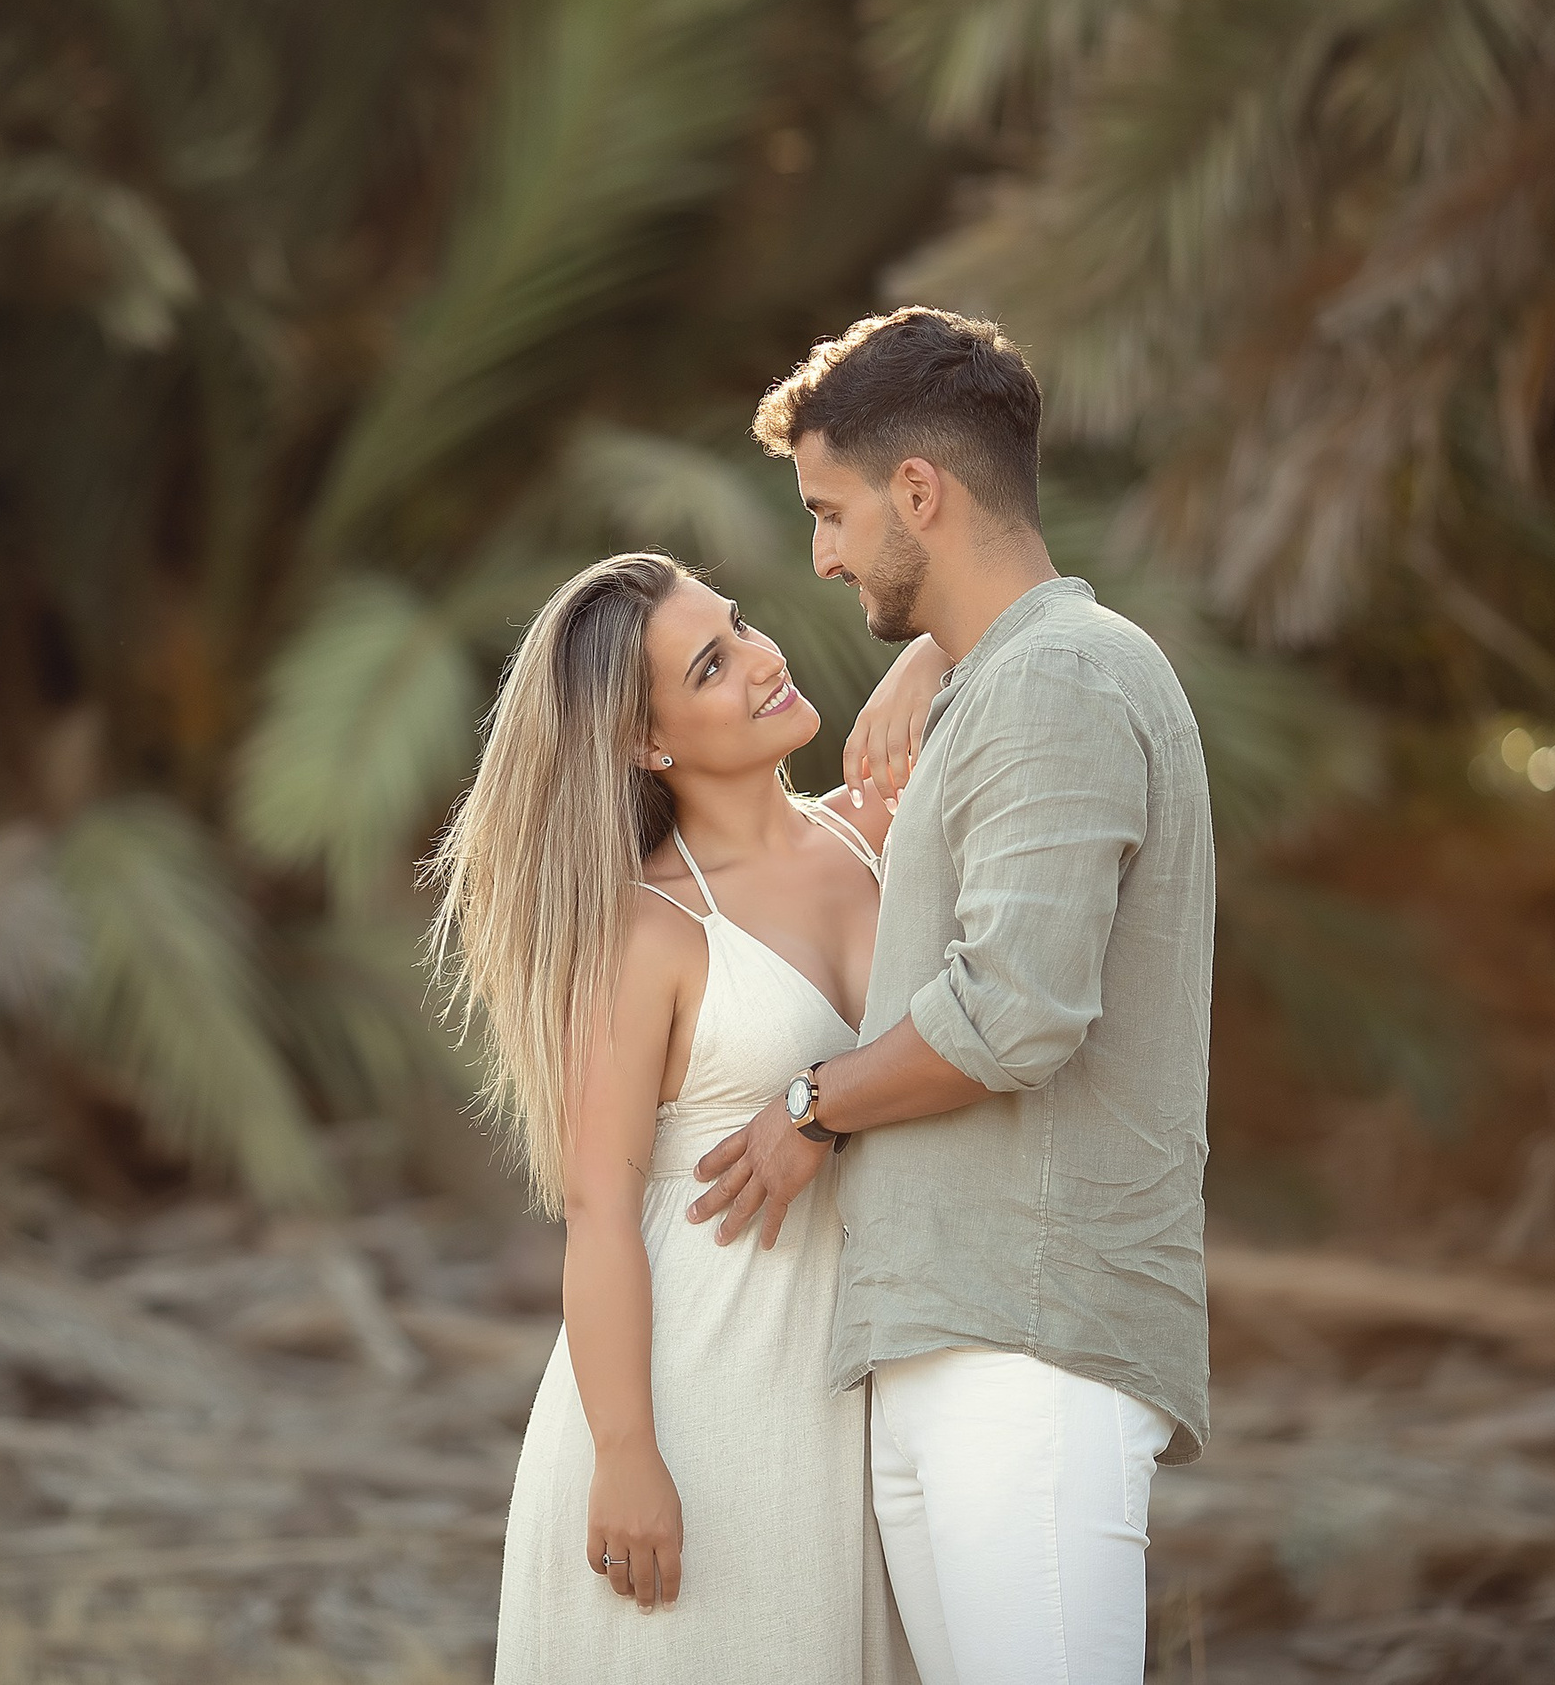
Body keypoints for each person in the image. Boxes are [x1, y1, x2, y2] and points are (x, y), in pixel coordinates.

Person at [690, 305, 1218, 1685]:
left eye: (832, 511)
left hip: (1030, 1348)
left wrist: (809, 1107)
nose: (822, 554)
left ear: (919, 488)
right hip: (955, 1335)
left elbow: (1018, 1011)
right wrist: (940, 651)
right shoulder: (1016, 675)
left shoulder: (1060, 679)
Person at [430, 550, 930, 1683]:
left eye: (741, 625)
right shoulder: (643, 929)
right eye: (712, 665)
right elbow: (598, 1210)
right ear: (646, 740)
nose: (761, 659)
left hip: (864, 1386)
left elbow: (1013, 622)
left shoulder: (885, 828)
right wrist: (626, 1456)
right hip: (699, 1399)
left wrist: (924, 660)